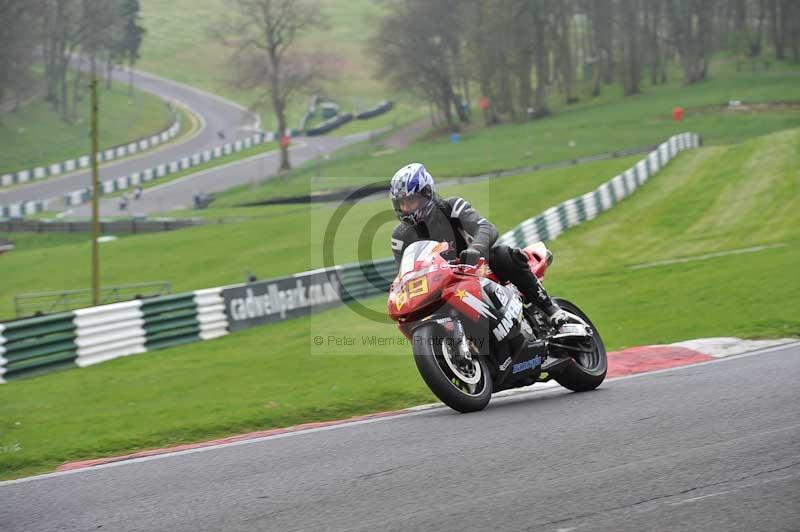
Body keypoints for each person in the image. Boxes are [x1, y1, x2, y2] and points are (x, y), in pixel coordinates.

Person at [389, 163, 569, 327]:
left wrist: (474, 249)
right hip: (438, 287)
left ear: (426, 193)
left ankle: (551, 309)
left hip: (477, 270)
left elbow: (486, 227)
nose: (406, 209)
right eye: (401, 204)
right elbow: (404, 275)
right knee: (407, 318)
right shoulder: (400, 237)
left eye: (410, 201)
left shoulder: (451, 207)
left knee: (503, 254)